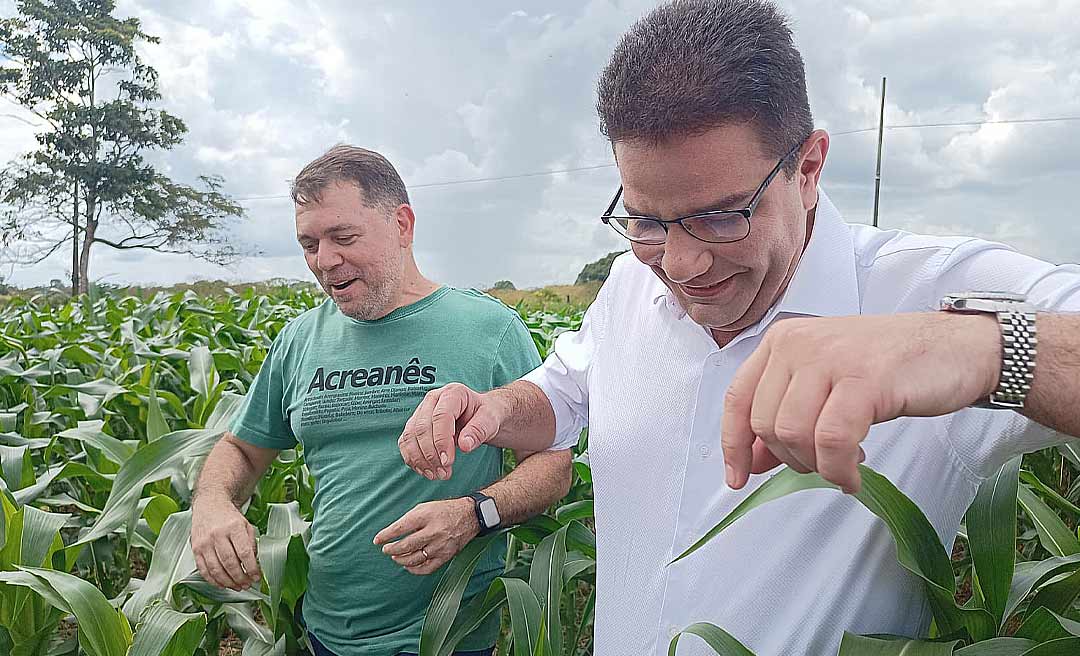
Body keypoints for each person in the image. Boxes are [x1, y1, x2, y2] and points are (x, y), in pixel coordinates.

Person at [397, 1, 1080, 653]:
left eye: (723, 215)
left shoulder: (925, 291)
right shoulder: (634, 282)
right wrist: (492, 409)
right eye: (647, 221)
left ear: (808, 168)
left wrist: (980, 346)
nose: (684, 264)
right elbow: (566, 391)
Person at [191, 145, 572, 656]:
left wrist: (473, 514)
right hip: (326, 631)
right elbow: (242, 448)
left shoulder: (489, 331)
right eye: (309, 244)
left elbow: (552, 463)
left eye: (343, 237)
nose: (325, 261)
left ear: (402, 225)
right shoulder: (300, 340)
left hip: (445, 637)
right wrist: (212, 502)